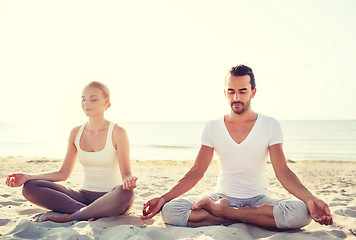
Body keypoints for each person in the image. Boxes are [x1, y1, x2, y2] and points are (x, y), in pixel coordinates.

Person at [141, 65, 333, 229]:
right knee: (171, 211)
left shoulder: (270, 125)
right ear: (225, 92)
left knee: (301, 213)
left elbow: (282, 171)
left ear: (253, 92)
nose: (236, 97)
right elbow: (196, 171)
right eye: (231, 91)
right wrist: (164, 198)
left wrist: (310, 199)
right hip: (221, 196)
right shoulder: (213, 127)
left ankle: (227, 214)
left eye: (242, 91)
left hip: (259, 199)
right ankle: (245, 216)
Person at [5, 81, 137, 223]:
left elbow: (126, 174)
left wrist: (128, 181)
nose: (86, 103)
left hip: (111, 197)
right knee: (31, 186)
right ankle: (87, 212)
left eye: (92, 99)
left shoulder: (118, 132)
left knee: (126, 193)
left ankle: (73, 216)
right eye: (83, 99)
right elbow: (63, 174)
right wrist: (27, 176)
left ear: (107, 102)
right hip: (82, 197)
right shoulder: (76, 132)